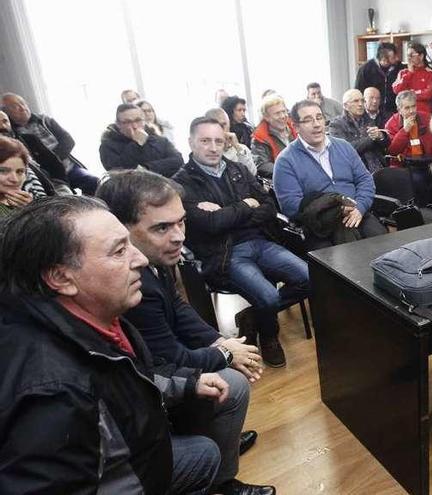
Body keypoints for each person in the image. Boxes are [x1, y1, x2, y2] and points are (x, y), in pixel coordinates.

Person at [0, 196, 226, 494]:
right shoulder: (53, 395)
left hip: (140, 458)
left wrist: (186, 383)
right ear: (60, 277)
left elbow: (122, 381)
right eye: (119, 251)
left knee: (204, 453)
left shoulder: (96, 314)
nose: (141, 260)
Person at [96, 170, 275, 494]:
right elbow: (169, 358)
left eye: (181, 222)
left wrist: (219, 340)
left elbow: (178, 309)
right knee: (232, 385)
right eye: (162, 227)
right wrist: (224, 353)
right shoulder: (130, 284)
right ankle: (222, 481)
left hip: (155, 382)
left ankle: (222, 443)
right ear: (121, 229)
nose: (179, 235)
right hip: (144, 402)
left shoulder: (154, 258)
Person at [173, 117, 309, 368]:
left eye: (219, 141)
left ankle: (252, 316)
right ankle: (269, 337)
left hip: (262, 242)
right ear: (191, 142)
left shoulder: (237, 170)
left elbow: (268, 207)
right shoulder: (181, 183)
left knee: (310, 278)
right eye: (205, 141)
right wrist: (246, 205)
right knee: (268, 296)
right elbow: (209, 225)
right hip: (225, 252)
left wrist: (226, 213)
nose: (213, 147)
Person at [273, 100, 385, 246]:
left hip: (357, 213)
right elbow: (291, 205)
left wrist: (360, 207)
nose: (316, 124)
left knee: (383, 245)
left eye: (319, 117)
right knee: (340, 262)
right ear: (295, 127)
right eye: (308, 120)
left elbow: (365, 180)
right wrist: (335, 211)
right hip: (320, 225)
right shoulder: (285, 160)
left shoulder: (343, 146)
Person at [1, 92, 99, 194]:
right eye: (15, 107)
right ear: (7, 112)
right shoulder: (13, 134)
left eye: (23, 103)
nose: (22, 108)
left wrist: (54, 160)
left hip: (67, 167)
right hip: (48, 176)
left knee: (94, 181)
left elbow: (68, 140)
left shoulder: (44, 120)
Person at [100, 103, 184, 178]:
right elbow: (119, 172)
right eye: (128, 122)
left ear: (144, 121)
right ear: (118, 124)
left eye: (138, 120)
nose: (135, 126)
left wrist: (146, 168)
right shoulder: (108, 146)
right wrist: (136, 144)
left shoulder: (158, 140)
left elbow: (178, 160)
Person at [328, 89, 389, 173]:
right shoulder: (336, 125)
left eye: (362, 100)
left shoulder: (369, 120)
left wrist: (381, 136)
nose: (360, 104)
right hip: (355, 170)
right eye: (356, 101)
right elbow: (346, 149)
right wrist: (371, 139)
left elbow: (385, 145)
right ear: (345, 106)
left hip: (379, 167)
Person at [385, 90, 432, 168]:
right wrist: (404, 130)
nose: (412, 111)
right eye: (407, 108)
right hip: (403, 166)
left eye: (413, 106)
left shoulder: (427, 119)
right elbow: (392, 151)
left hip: (427, 164)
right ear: (399, 110)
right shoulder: (391, 124)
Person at [251, 93, 297, 178]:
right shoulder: (259, 138)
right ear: (266, 117)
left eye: (284, 111)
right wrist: (290, 172)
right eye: (277, 113)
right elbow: (262, 166)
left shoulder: (297, 129)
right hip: (281, 180)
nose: (283, 116)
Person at [206, 107, 258, 177]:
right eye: (216, 126)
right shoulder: (206, 152)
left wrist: (238, 148)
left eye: (224, 124)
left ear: (229, 124)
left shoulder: (242, 149)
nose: (221, 129)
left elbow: (252, 174)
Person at [355, 42, 403, 115]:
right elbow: (358, 91)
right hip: (372, 112)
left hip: (394, 111)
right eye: (393, 57)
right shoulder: (366, 69)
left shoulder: (400, 68)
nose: (397, 58)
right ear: (383, 58)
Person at [392, 42, 432, 115]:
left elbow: (428, 94)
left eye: (411, 55)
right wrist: (410, 73)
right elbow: (396, 90)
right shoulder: (403, 73)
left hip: (423, 115)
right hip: (405, 115)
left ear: (421, 56)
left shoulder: (431, 74)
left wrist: (408, 94)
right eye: (407, 55)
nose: (409, 58)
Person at [0, 136, 33, 218]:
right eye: (3, 171)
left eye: (20, 171)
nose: (15, 179)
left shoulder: (25, 203)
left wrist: (32, 210)